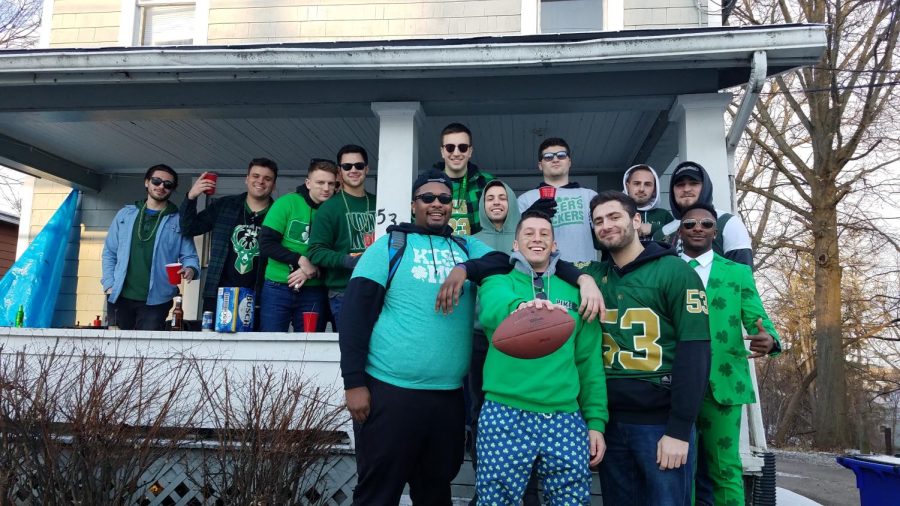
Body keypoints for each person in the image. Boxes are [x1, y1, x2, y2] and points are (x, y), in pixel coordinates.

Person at [339, 170, 495, 504]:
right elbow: (354, 317)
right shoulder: (390, 246)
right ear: (413, 205)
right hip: (390, 393)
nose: (436, 204)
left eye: (444, 199)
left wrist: (466, 268)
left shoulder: (468, 247)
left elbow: (506, 262)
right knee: (378, 491)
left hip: (448, 398)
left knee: (436, 490)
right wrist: (354, 383)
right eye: (428, 198)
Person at [581, 190, 711, 506]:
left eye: (614, 217)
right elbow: (553, 265)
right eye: (598, 221)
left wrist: (679, 430)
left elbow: (696, 354)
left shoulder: (676, 272)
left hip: (659, 424)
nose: (606, 226)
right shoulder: (597, 275)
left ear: (637, 220)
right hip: (611, 423)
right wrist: (584, 280)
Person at [476, 210, 607, 504]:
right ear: (515, 244)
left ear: (554, 243)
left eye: (544, 234)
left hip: (564, 415)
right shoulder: (498, 282)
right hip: (505, 411)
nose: (537, 239)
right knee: (496, 499)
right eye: (529, 234)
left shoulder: (577, 292)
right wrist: (523, 308)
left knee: (571, 500)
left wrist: (596, 422)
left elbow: (589, 364)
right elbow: (493, 307)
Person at [677, 202, 781, 506]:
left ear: (716, 232)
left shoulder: (737, 273)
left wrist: (770, 340)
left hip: (723, 383)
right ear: (680, 232)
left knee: (725, 469)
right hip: (675, 382)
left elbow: (757, 318)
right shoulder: (665, 269)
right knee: (680, 469)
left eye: (706, 224)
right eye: (690, 224)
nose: (698, 228)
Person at [102, 164, 200, 330]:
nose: (161, 186)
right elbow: (109, 253)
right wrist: (109, 284)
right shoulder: (125, 215)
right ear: (147, 182)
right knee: (115, 349)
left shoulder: (178, 220)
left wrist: (190, 269)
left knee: (147, 351)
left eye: (168, 184)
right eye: (156, 181)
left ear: (172, 189)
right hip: (119, 295)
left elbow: (189, 256)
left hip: (157, 299)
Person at [179, 158, 277, 319]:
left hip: (261, 295)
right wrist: (191, 197)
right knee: (213, 343)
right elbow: (188, 228)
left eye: (267, 179)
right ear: (247, 179)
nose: (260, 181)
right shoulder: (224, 205)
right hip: (218, 292)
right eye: (256, 176)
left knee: (256, 344)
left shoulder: (279, 212)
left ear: (273, 185)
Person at [258, 159, 337, 332]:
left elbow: (338, 252)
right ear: (308, 183)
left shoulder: (336, 210)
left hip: (314, 289)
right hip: (277, 286)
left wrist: (310, 269)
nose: (326, 188)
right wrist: (300, 260)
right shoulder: (287, 203)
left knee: (309, 346)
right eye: (320, 182)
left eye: (331, 183)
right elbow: (266, 244)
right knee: (270, 344)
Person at [307, 145, 376, 330]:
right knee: (351, 350)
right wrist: (348, 261)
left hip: (378, 289)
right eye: (347, 166)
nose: (353, 170)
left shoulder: (380, 202)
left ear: (367, 169)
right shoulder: (329, 208)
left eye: (359, 166)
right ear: (339, 172)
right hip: (344, 291)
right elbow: (315, 251)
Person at [654, 161, 753, 267]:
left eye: (694, 183)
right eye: (680, 185)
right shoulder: (662, 234)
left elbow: (743, 275)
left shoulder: (728, 223)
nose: (686, 189)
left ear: (705, 187)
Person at [518, 138, 598, 263]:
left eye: (561, 155)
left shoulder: (590, 196)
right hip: (543, 273)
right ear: (540, 165)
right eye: (548, 157)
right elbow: (517, 238)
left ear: (569, 161)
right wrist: (529, 215)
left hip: (586, 271)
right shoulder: (525, 199)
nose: (555, 159)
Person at [434, 122, 494, 235]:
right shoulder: (427, 184)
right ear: (442, 151)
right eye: (450, 148)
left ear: (470, 151)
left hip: (476, 250)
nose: (456, 153)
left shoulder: (487, 183)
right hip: (438, 250)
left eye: (463, 147)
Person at [622, 163, 674, 241]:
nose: (641, 189)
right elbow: (600, 243)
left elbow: (676, 239)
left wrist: (653, 228)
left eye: (647, 184)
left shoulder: (664, 215)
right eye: (636, 183)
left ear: (654, 189)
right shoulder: (618, 214)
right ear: (627, 186)